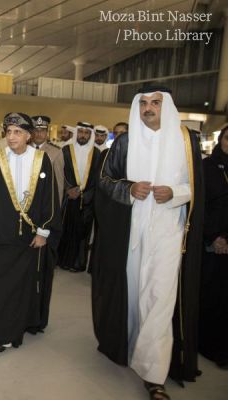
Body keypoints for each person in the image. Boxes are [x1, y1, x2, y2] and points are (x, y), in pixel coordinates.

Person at [91, 86, 203, 400]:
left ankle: (154, 374)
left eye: (155, 103)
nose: (148, 108)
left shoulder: (186, 141)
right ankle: (126, 346)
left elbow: (197, 187)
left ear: (166, 106)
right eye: (143, 103)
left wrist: (176, 193)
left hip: (169, 231)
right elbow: (104, 180)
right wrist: (128, 188)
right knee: (131, 293)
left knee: (160, 296)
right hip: (131, 232)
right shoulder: (125, 142)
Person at [0, 112, 60, 356]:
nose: (11, 137)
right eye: (8, 131)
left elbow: (49, 198)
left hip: (26, 238)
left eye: (17, 132)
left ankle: (8, 335)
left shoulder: (41, 160)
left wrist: (44, 230)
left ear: (28, 135)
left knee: (18, 288)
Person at [199, 125, 228, 369]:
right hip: (212, 242)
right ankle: (206, 344)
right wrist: (215, 237)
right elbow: (201, 206)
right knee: (211, 293)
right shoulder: (207, 167)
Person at [58, 122, 100, 272]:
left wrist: (85, 193)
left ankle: (78, 263)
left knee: (82, 233)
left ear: (90, 135)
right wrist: (68, 189)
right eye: (80, 132)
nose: (83, 135)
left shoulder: (96, 153)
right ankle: (62, 260)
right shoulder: (65, 150)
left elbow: (98, 178)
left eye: (86, 133)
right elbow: (59, 172)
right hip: (68, 198)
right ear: (76, 133)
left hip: (87, 200)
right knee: (65, 229)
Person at [29, 116, 65, 205]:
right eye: (36, 130)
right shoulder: (24, 149)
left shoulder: (56, 152)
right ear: (31, 132)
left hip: (45, 200)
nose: (39, 134)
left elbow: (59, 183)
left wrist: (57, 206)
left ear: (47, 133)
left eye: (42, 131)